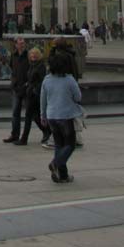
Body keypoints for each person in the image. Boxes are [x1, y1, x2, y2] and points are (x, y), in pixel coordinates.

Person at [41, 52, 83, 183]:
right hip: (65, 116)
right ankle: (56, 163)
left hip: (51, 115)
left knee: (59, 145)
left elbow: (43, 99)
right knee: (70, 144)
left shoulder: (47, 80)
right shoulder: (69, 80)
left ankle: (63, 175)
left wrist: (43, 115)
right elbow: (78, 97)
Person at [15, 47, 51, 146]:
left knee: (29, 116)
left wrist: (34, 89)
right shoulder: (32, 65)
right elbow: (30, 78)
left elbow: (42, 81)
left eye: (35, 54)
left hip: (36, 95)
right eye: (31, 54)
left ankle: (24, 139)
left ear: (39, 55)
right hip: (30, 93)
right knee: (35, 116)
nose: (33, 56)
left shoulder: (41, 66)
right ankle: (47, 131)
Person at [3, 37, 29, 144]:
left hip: (27, 87)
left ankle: (46, 131)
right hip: (16, 87)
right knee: (15, 113)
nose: (22, 45)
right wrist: (13, 80)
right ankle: (15, 135)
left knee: (32, 113)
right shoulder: (13, 56)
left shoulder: (28, 55)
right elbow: (12, 68)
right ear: (16, 45)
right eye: (20, 43)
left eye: (23, 43)